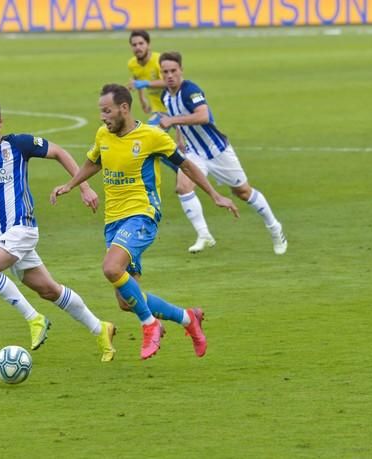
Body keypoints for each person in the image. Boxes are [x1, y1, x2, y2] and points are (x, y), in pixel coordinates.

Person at [51, 84, 239, 360]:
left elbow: (185, 165)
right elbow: (95, 161)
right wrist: (71, 184)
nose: (103, 117)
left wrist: (214, 194)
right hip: (113, 220)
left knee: (111, 268)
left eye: (107, 111)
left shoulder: (152, 136)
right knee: (128, 300)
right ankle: (189, 319)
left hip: (142, 214)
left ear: (124, 108)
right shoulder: (103, 133)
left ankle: (150, 325)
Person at [0, 98, 116, 362]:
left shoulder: (18, 144)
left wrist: (83, 187)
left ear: (1, 122)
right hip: (1, 237)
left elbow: (59, 152)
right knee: (48, 290)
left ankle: (35, 318)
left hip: (22, 228)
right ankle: (101, 329)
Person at [158, 51, 288, 255]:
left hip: (217, 151)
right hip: (194, 153)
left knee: (243, 192)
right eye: (165, 72)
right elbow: (177, 117)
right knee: (183, 187)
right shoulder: (165, 96)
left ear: (181, 70)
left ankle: (274, 227)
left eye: (173, 71)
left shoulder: (190, 90)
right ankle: (204, 235)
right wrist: (180, 137)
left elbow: (203, 116)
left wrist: (173, 122)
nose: (169, 75)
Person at [126, 30, 215, 254]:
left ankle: (184, 168)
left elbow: (166, 84)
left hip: (171, 110)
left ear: (148, 44)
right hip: (158, 111)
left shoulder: (159, 61)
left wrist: (145, 85)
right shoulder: (132, 64)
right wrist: (143, 100)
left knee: (148, 142)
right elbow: (138, 83)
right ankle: (183, 168)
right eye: (134, 44)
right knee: (154, 148)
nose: (138, 47)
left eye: (141, 43)